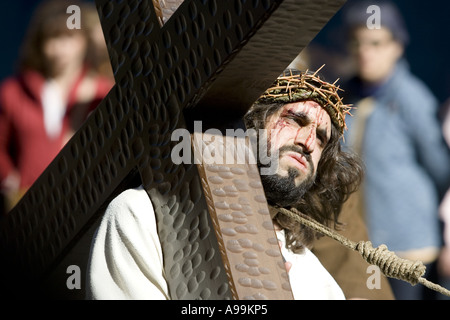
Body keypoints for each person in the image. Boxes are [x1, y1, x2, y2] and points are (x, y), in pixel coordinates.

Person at [86, 68, 364, 299]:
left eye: (321, 138)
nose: (307, 143)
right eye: (293, 119)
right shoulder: (140, 215)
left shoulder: (315, 280)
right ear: (249, 125)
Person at [340, 0, 450, 299]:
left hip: (406, 247)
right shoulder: (343, 98)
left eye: (376, 43)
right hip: (361, 244)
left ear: (396, 47)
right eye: (357, 43)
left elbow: (440, 169)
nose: (365, 52)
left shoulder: (412, 98)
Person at [0, 0, 113, 213]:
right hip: (30, 206)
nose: (58, 48)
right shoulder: (13, 92)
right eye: (52, 38)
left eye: (68, 37)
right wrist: (10, 181)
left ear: (83, 41)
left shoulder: (101, 91)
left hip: (86, 201)